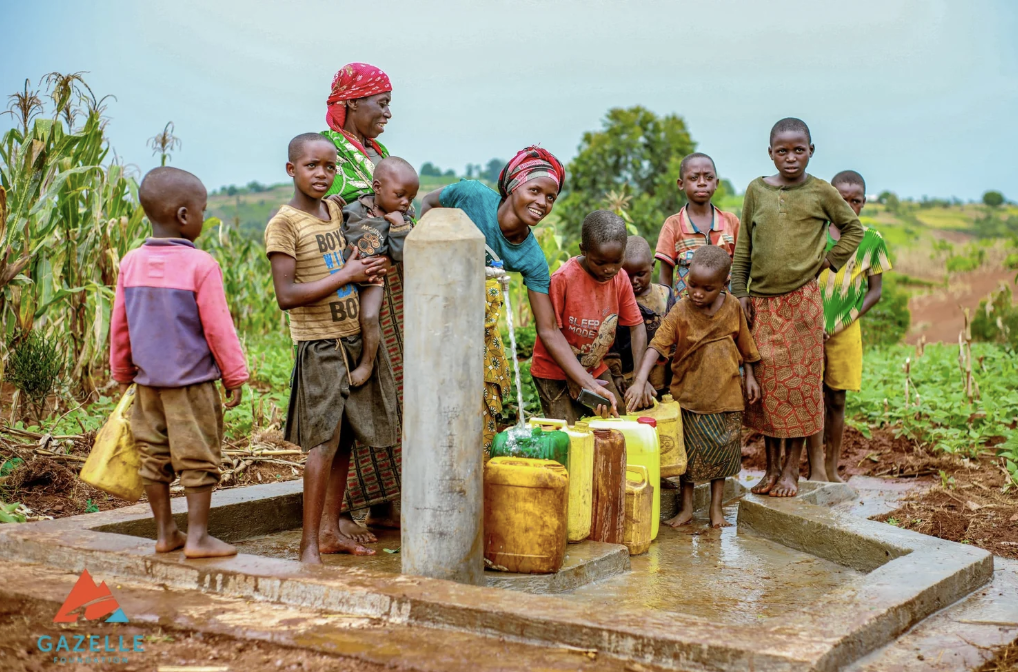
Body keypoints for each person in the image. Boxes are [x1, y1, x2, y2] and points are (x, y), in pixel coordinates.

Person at [421, 147, 618, 453]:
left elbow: (549, 329)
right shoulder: (472, 196)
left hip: (469, 315)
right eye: (535, 190)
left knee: (480, 390)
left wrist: (588, 382)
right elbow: (429, 202)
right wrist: (430, 258)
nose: (542, 202)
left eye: (550, 198)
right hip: (431, 295)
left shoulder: (531, 258)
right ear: (514, 186)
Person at [265, 133, 397, 563]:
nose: (322, 174)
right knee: (322, 444)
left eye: (330, 167)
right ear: (292, 170)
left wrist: (365, 265)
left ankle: (328, 532)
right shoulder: (284, 224)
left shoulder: (335, 210)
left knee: (344, 443)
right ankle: (307, 546)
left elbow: (351, 258)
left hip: (351, 338)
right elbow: (287, 294)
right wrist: (347, 275)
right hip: (318, 344)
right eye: (312, 166)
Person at [110, 166, 248, 558]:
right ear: (185, 216)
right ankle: (199, 538)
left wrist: (122, 372)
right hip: (191, 385)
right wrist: (234, 375)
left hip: (147, 384)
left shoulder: (130, 262)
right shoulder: (200, 265)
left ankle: (165, 533)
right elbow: (219, 328)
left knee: (152, 456)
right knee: (198, 457)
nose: (204, 217)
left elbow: (120, 326)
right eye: (202, 210)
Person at [731, 118, 864, 498]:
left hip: (803, 306)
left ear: (811, 151)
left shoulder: (821, 191)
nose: (791, 158)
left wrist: (827, 261)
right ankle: (770, 472)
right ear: (770, 153)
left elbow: (852, 229)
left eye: (799, 150)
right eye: (782, 151)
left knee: (800, 391)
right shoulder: (757, 191)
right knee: (768, 392)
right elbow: (744, 248)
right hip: (761, 306)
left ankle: (792, 472)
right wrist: (741, 292)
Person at [321, 63, 402, 542]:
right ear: (352, 102)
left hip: (385, 284)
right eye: (382, 102)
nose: (388, 113)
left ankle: (381, 506)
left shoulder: (378, 152)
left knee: (387, 396)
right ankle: (341, 513)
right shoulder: (327, 151)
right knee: (352, 401)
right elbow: (329, 211)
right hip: (347, 283)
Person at [626, 246, 761, 528]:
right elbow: (657, 346)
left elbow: (746, 346)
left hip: (726, 396)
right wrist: (640, 380)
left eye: (706, 288)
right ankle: (686, 509)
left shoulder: (733, 306)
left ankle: (716, 510)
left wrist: (750, 376)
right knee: (686, 457)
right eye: (693, 285)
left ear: (724, 285)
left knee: (722, 458)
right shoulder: (681, 309)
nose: (697, 293)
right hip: (688, 397)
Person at [807, 170, 890, 482]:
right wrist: (815, 322)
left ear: (863, 203)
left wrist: (843, 321)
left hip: (846, 330)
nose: (849, 205)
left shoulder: (872, 241)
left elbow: (875, 292)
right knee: (811, 396)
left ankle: (832, 468)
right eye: (842, 199)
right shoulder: (815, 235)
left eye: (855, 200)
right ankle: (815, 468)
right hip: (809, 328)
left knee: (837, 398)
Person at [529, 211, 647, 423]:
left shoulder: (620, 278)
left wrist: (639, 378)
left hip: (593, 367)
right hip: (554, 372)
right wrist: (573, 377)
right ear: (584, 250)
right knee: (568, 429)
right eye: (600, 262)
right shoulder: (564, 279)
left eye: (617, 261)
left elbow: (637, 327)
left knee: (616, 417)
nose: (609, 269)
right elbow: (550, 331)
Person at [340, 156, 418, 387]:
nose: (405, 202)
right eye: (400, 195)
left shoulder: (402, 220)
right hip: (341, 274)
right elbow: (336, 226)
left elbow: (399, 254)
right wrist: (332, 204)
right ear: (377, 187)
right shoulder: (354, 209)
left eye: (411, 198)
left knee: (369, 316)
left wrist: (398, 227)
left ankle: (367, 363)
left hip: (373, 278)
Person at [655, 153, 741, 296]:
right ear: (681, 184)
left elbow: (741, 267)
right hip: (685, 311)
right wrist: (665, 308)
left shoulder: (731, 222)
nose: (702, 182)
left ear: (716, 183)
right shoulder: (673, 225)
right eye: (694, 178)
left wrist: (741, 298)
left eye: (709, 177)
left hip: (726, 310)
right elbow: (665, 275)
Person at [604, 236, 675, 398]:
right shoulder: (616, 301)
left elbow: (676, 336)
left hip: (663, 375)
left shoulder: (665, 295)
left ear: (652, 267)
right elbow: (610, 342)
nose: (634, 281)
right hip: (629, 376)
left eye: (640, 274)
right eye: (627, 276)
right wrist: (616, 375)